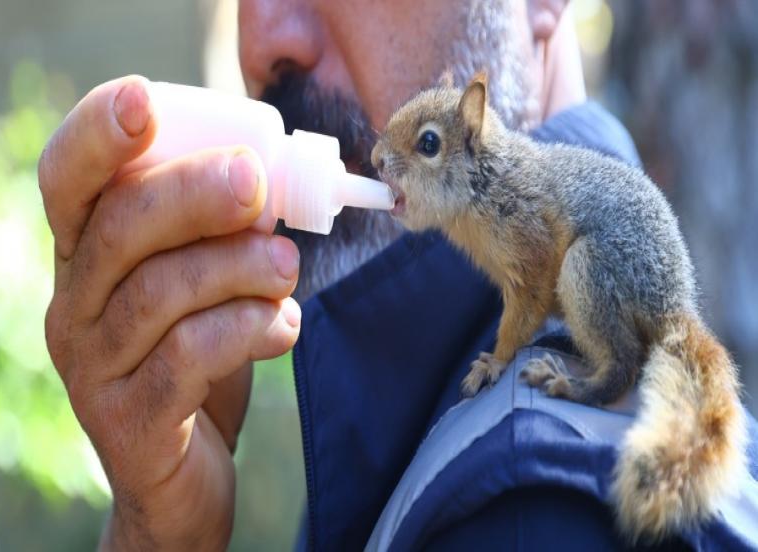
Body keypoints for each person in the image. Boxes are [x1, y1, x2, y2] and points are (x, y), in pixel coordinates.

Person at [37, 0, 758, 549]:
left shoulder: (525, 508)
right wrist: (160, 535)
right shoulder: (404, 408)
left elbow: (532, 284)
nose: (262, 42)